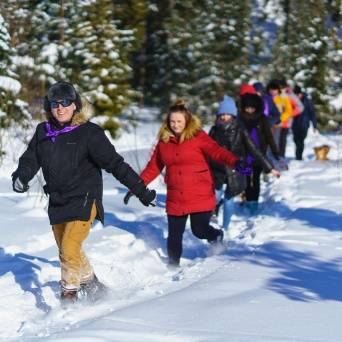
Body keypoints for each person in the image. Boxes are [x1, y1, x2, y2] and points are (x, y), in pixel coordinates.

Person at [11, 81, 156, 302]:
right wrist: (21, 176)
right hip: (58, 200)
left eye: (66, 103)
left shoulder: (89, 133)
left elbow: (116, 164)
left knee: (69, 246)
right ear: (49, 107)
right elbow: (31, 158)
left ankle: (69, 297)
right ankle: (91, 282)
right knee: (68, 250)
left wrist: (142, 191)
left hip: (85, 198)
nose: (60, 108)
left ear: (75, 105)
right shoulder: (44, 131)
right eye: (55, 104)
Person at [125, 100, 249, 267]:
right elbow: (153, 167)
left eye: (179, 122)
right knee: (174, 234)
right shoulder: (164, 142)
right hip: (176, 195)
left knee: (199, 230)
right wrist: (136, 186)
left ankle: (216, 236)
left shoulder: (198, 137)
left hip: (200, 193)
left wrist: (236, 162)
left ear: (187, 121)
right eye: (172, 121)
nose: (175, 125)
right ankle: (172, 266)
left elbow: (217, 152)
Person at [208, 95, 280, 228]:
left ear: (233, 115)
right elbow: (206, 150)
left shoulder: (241, 130)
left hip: (236, 169)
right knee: (215, 196)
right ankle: (209, 220)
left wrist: (269, 168)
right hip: (217, 169)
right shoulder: (214, 130)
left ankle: (225, 227)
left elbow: (254, 149)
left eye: (227, 115)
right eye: (222, 115)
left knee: (229, 199)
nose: (224, 118)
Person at [239, 93, 281, 214]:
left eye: (252, 108)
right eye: (247, 108)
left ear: (256, 107)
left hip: (259, 155)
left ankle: (254, 202)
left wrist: (275, 152)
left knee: (256, 178)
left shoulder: (262, 119)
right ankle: (248, 199)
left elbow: (269, 136)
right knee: (246, 178)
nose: (249, 110)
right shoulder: (240, 119)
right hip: (244, 155)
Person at [266, 80, 293, 157]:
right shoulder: (265, 97)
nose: (273, 91)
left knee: (275, 143)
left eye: (275, 89)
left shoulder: (283, 98)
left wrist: (280, 119)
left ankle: (275, 161)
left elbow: (289, 111)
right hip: (265, 124)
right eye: (271, 89)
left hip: (277, 124)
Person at [292, 85, 318, 160]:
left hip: (304, 124)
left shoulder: (307, 101)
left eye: (298, 94)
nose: (297, 96)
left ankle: (298, 156)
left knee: (301, 140)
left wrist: (314, 125)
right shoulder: (293, 100)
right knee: (296, 140)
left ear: (301, 94)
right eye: (295, 94)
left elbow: (312, 113)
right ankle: (298, 155)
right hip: (295, 124)